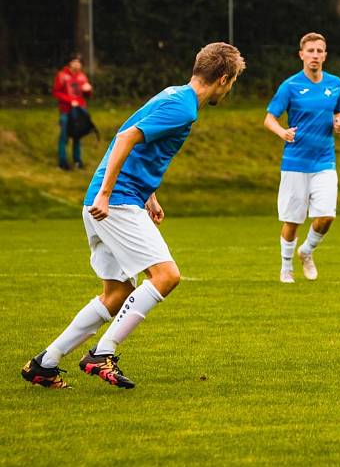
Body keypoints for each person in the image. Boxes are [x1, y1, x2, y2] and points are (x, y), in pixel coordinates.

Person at [21, 42, 245, 389]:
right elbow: (125, 137)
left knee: (117, 294)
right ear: (224, 79)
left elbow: (138, 146)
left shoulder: (175, 94)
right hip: (116, 202)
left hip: (120, 199)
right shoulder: (183, 109)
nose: (230, 90)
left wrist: (149, 196)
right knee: (167, 276)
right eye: (232, 83)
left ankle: (43, 364)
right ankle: (102, 352)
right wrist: (107, 195)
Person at [264, 32, 340, 283]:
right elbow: (269, 118)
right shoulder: (290, 86)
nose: (315, 55)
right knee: (292, 220)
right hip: (295, 163)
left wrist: (339, 122)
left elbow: (339, 111)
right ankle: (286, 267)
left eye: (319, 51)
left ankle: (307, 251)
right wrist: (282, 132)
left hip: (324, 161)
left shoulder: (335, 84)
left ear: (325, 55)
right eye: (310, 51)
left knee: (327, 215)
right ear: (301, 54)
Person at [53, 53, 92, 170]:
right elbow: (56, 92)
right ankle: (62, 162)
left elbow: (87, 95)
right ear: (69, 63)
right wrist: (70, 101)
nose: (77, 64)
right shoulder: (62, 75)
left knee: (77, 135)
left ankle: (78, 161)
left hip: (79, 111)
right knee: (64, 136)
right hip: (66, 111)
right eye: (75, 61)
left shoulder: (82, 77)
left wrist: (88, 90)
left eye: (79, 62)